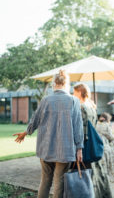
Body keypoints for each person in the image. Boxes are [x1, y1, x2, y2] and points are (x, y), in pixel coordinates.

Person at [14, 70, 83, 198]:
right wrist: (79, 149)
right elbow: (78, 127)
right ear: (66, 84)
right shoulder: (74, 101)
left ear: (54, 83)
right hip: (65, 150)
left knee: (45, 181)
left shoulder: (45, 100)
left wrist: (25, 133)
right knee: (59, 183)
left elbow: (35, 120)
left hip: (45, 148)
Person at [73, 83, 112, 198]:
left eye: (74, 92)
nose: (73, 95)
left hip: (85, 144)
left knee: (84, 174)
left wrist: (78, 147)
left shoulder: (81, 107)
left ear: (80, 92)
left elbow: (82, 128)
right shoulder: (91, 106)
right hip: (93, 143)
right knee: (95, 173)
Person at [96, 112, 114, 182]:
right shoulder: (106, 125)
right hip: (105, 145)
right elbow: (111, 137)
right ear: (107, 119)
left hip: (98, 145)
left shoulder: (96, 124)